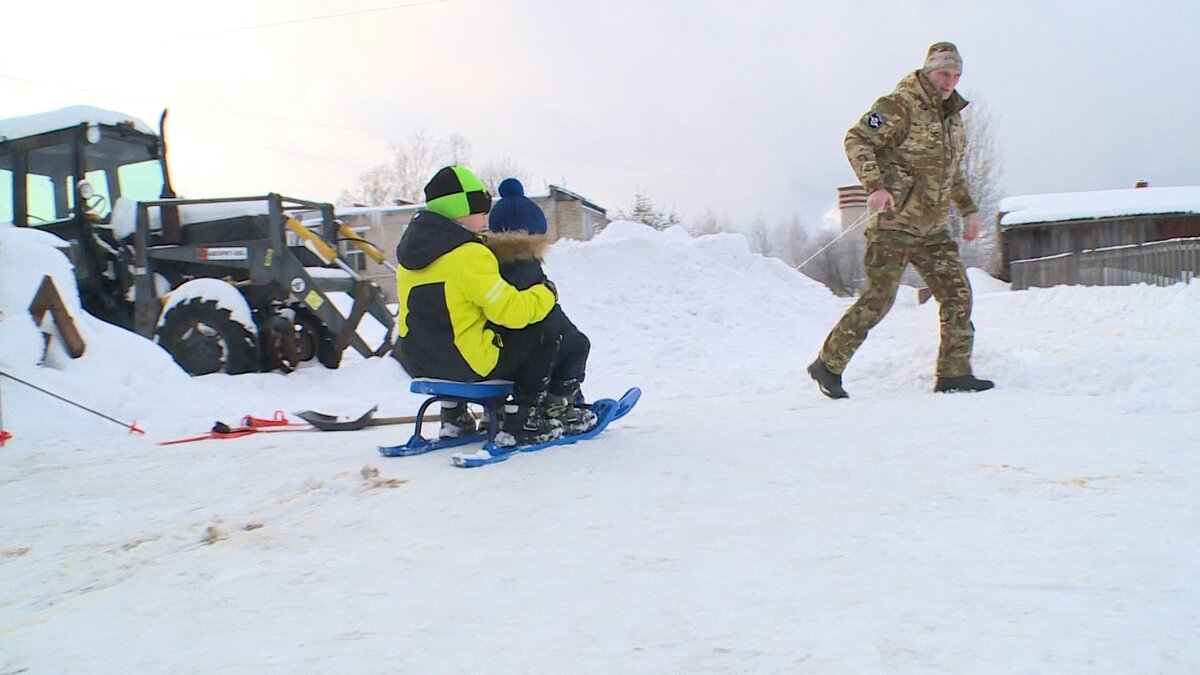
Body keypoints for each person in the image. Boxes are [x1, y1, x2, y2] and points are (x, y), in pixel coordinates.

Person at [808, 41, 994, 399]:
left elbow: (952, 173)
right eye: (944, 74)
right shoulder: (899, 105)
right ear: (929, 71)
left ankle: (954, 374)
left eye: (956, 75)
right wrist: (875, 186)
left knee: (958, 295)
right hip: (895, 223)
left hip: (934, 227)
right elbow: (857, 139)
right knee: (879, 299)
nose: (950, 82)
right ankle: (828, 364)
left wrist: (968, 210)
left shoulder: (952, 117)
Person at [394, 165, 562, 446]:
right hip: (466, 365)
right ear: (460, 213)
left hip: (419, 363)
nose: (486, 219)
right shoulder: (470, 254)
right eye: (480, 211)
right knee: (540, 335)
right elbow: (510, 312)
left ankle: (454, 414)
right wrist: (545, 295)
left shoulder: (409, 259)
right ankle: (523, 419)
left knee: (461, 329)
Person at [486, 177, 596, 433]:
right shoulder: (526, 268)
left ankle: (496, 411)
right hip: (529, 353)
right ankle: (558, 404)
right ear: (533, 235)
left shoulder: (487, 267)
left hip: (495, 353)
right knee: (576, 343)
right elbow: (549, 317)